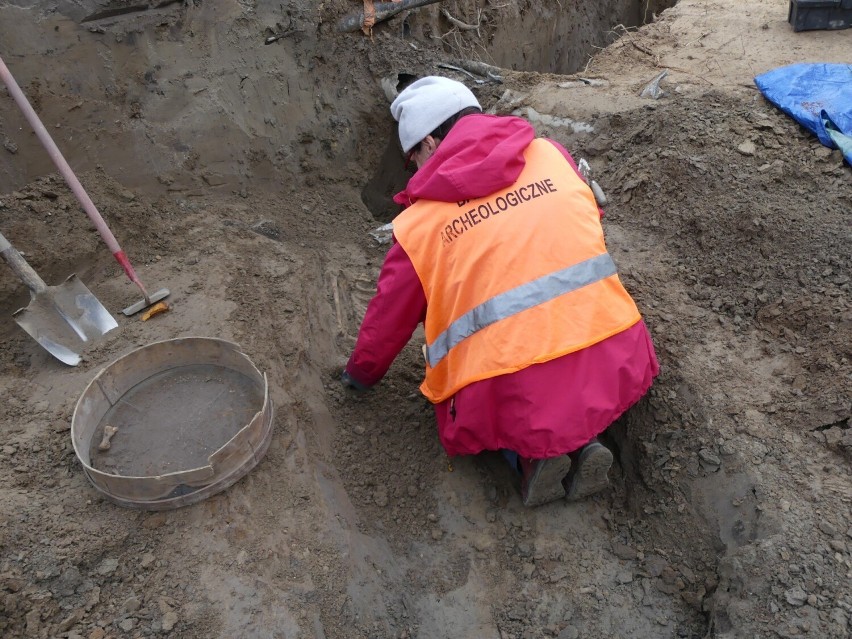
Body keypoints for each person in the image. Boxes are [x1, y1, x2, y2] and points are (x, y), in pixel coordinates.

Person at [342, 76, 659, 507]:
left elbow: (386, 322)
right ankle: (588, 443)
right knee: (568, 374)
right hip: (613, 349)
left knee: (508, 395)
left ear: (431, 143)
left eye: (411, 156)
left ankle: (531, 462)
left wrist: (359, 375)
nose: (413, 168)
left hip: (506, 385)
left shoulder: (419, 227)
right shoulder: (552, 156)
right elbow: (588, 219)